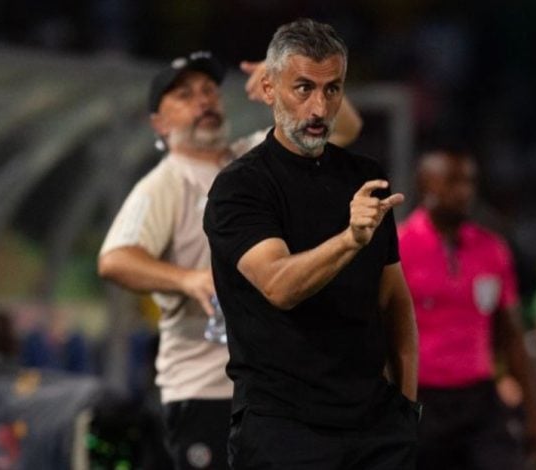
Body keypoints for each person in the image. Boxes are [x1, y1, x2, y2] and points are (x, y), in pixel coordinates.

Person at [98, 49, 362, 470]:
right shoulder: (166, 183)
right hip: (206, 392)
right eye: (184, 96)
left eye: (208, 91)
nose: (203, 100)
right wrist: (189, 280)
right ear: (159, 125)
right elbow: (115, 259)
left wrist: (290, 86)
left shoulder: (252, 158)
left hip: (276, 388)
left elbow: (345, 128)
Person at [203, 18, 418, 469]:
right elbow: (280, 285)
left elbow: (393, 297)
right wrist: (350, 239)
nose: (319, 108)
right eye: (303, 88)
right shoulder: (240, 187)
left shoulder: (364, 177)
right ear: (268, 89)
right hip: (283, 430)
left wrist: (404, 407)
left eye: (332, 89)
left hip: (375, 428)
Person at [398, 149, 536, 469]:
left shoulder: (492, 249)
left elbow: (511, 334)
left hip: (479, 398)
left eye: (469, 181)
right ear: (426, 186)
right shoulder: (399, 247)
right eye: (452, 182)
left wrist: (534, 414)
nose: (464, 191)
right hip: (421, 398)